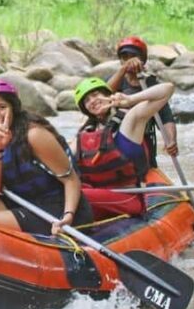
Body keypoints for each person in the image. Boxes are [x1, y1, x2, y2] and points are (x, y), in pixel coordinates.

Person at [0, 80, 92, 236]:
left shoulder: (34, 134)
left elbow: (71, 180)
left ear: (14, 108)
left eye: (2, 107)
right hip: (26, 201)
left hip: (59, 206)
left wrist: (68, 216)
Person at [73, 76, 175, 218]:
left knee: (74, 194)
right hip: (100, 197)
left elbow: (167, 89)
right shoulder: (85, 134)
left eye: (95, 95)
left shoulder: (130, 119)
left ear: (108, 95)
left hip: (128, 197)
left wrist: (129, 100)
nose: (92, 101)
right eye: (87, 100)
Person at [107, 36, 178, 167]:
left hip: (142, 141)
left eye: (133, 56)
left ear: (143, 59)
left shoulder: (151, 85)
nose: (130, 60)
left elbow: (166, 117)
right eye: (125, 57)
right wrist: (123, 70)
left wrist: (171, 140)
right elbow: (103, 95)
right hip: (115, 139)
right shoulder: (115, 80)